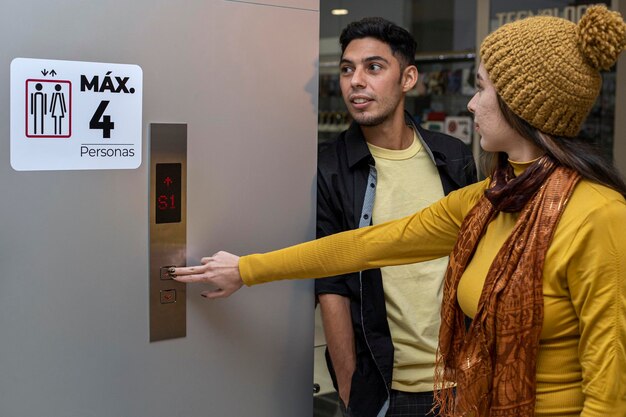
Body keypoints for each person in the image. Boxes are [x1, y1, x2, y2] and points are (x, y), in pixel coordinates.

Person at [173, 5, 626, 417]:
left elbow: (609, 392)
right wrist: (246, 269)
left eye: (482, 88)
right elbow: (367, 245)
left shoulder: (599, 214)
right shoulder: (486, 201)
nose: (471, 103)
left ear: (521, 105)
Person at [315, 17, 476, 417]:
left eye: (373, 67)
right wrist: (352, 388)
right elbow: (331, 282)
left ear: (408, 78)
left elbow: (474, 257)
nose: (356, 81)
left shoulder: (452, 157)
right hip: (388, 391)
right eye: (347, 69)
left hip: (461, 379)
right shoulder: (329, 168)